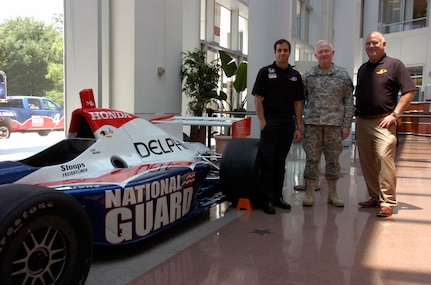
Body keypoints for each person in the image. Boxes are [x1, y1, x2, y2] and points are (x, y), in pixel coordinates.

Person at [355, 31, 416, 217]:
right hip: (362, 122)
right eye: (368, 44)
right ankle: (375, 196)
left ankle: (388, 201)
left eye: (375, 43)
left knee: (384, 160)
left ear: (383, 44)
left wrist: (395, 114)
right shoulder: (363, 69)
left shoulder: (395, 65)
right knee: (367, 163)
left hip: (383, 122)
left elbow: (410, 91)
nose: (371, 46)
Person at [252, 38, 305, 214]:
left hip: (287, 123)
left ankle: (277, 197)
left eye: (285, 50)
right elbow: (257, 97)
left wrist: (298, 126)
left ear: (289, 53)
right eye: (279, 50)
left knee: (280, 161)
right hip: (271, 121)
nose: (282, 53)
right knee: (268, 161)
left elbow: (298, 103)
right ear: (275, 52)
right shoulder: (265, 72)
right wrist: (262, 121)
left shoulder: (295, 76)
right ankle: (266, 199)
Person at [302, 40, 355, 207]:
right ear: (315, 55)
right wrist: (300, 123)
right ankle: (309, 192)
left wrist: (346, 125)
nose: (324, 54)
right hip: (312, 125)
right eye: (320, 52)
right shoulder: (308, 75)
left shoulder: (342, 75)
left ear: (333, 53)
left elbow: (348, 102)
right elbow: (300, 100)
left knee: (333, 160)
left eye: (327, 51)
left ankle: (333, 193)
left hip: (334, 126)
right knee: (312, 159)